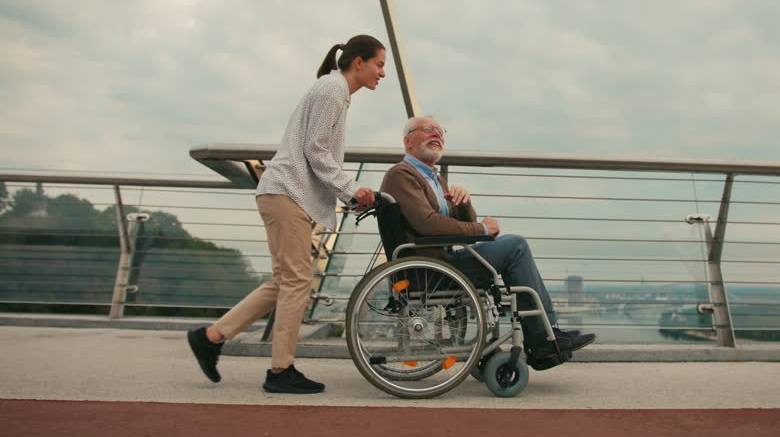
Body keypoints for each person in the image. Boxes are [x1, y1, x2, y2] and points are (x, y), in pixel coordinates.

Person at [187, 35, 386, 393]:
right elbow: (315, 150)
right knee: (296, 281)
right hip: (287, 194)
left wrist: (346, 190)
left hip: (283, 193)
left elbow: (315, 152)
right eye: (379, 64)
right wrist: (352, 188)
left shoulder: (333, 90)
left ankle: (211, 337)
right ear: (359, 62)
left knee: (283, 280)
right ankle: (280, 371)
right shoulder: (331, 91)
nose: (382, 73)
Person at [379, 115, 596, 371]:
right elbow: (428, 225)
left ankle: (544, 336)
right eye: (428, 130)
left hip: (441, 266)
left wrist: (464, 204)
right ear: (408, 141)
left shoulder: (434, 179)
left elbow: (456, 225)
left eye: (440, 131)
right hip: (430, 271)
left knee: (512, 246)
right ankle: (542, 339)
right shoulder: (401, 175)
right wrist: (482, 228)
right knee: (515, 245)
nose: (437, 134)